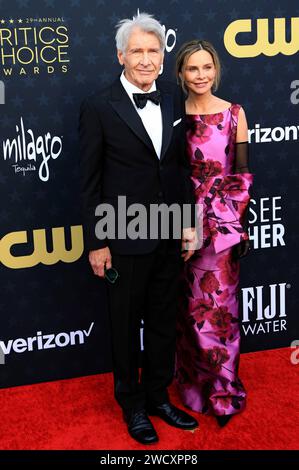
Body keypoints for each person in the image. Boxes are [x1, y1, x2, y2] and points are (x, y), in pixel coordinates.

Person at [79, 13, 198, 444]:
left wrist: (188, 224)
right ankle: (131, 406)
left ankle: (157, 396)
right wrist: (97, 243)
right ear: (120, 55)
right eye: (137, 51)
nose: (146, 60)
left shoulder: (172, 97)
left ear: (163, 58)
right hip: (123, 233)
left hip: (168, 231)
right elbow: (90, 182)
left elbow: (180, 168)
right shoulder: (97, 105)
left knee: (165, 320)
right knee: (125, 324)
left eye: (154, 51)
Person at [174, 40, 253, 427]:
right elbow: (170, 175)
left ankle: (223, 387)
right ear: (181, 74)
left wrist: (239, 227)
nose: (201, 75)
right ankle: (192, 384)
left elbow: (240, 178)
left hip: (223, 226)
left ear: (216, 70)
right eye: (193, 69)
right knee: (190, 309)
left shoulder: (235, 114)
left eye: (207, 67)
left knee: (222, 309)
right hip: (182, 221)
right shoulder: (174, 114)